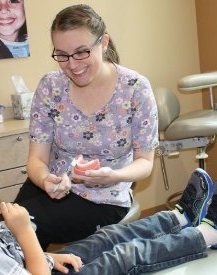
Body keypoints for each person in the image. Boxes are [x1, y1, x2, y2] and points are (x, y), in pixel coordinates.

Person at [0, 136, 217, 274]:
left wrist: (51, 257)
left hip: (39, 265)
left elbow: (20, 259)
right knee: (124, 257)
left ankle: (179, 218)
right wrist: (23, 232)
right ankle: (206, 235)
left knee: (105, 239)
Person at [14, 4, 159, 249]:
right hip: (50, 183)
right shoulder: (51, 87)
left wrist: (115, 176)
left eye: (81, 52)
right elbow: (36, 159)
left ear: (103, 43)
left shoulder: (135, 88)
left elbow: (145, 162)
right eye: (62, 54)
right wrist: (45, 179)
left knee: (19, 232)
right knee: (5, 228)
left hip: (104, 198)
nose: (72, 64)